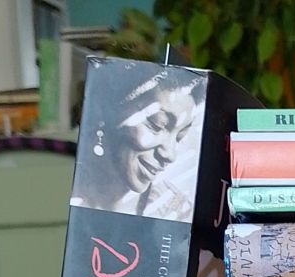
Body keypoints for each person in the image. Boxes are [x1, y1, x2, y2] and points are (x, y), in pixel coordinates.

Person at [71, 63, 205, 220]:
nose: (170, 154)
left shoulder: (177, 213)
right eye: (157, 124)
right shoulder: (60, 177)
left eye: (180, 137)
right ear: (109, 110)